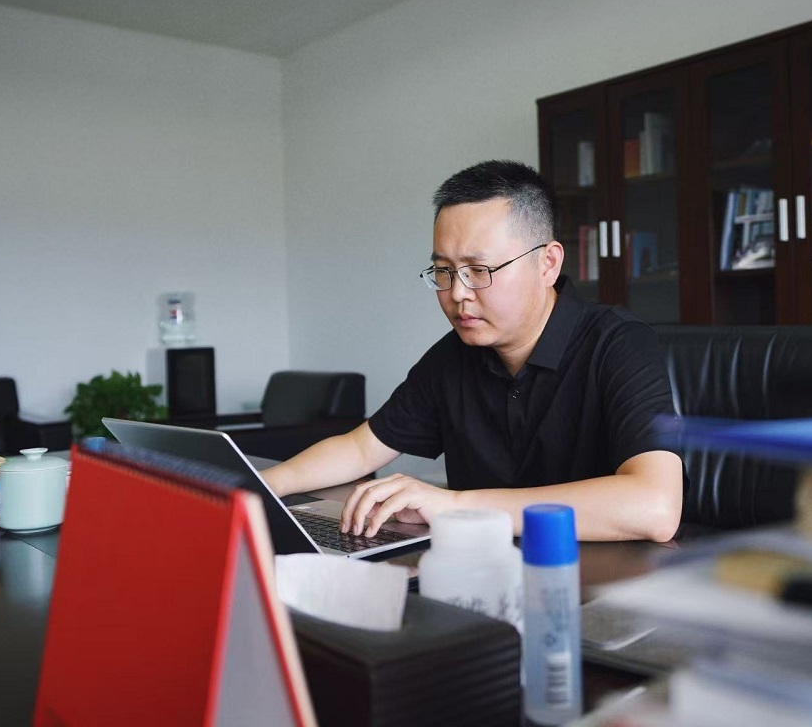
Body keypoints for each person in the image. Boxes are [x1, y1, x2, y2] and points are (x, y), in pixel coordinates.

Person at [263, 160, 682, 542]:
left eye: (479, 270)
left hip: (600, 578)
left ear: (548, 264)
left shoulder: (619, 343)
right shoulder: (454, 356)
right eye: (444, 271)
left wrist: (456, 505)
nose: (458, 293)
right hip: (481, 566)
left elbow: (656, 507)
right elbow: (361, 449)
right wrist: (262, 484)